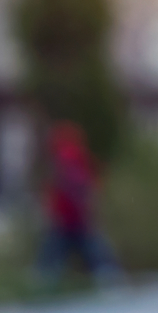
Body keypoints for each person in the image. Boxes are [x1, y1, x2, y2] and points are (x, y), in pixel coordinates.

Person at [36, 121, 121, 287]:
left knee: (59, 249)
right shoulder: (78, 156)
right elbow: (89, 183)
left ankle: (44, 279)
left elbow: (72, 184)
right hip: (74, 215)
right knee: (91, 248)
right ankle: (109, 276)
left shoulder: (66, 156)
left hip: (68, 215)